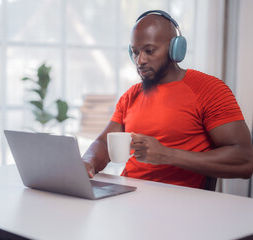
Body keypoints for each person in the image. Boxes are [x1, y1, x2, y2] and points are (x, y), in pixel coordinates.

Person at [83, 10, 253, 189]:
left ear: (175, 49)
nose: (140, 60)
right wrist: (87, 162)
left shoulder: (209, 89)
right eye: (135, 52)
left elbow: (244, 161)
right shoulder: (131, 95)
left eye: (149, 51)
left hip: (181, 205)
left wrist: (167, 155)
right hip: (128, 197)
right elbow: (103, 142)